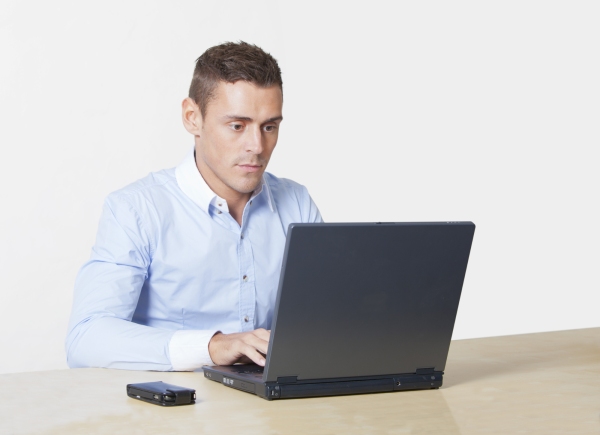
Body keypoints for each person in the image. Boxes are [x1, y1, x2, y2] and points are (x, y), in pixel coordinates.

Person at [65, 42, 322, 371]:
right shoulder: (136, 210)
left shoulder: (297, 204)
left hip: (274, 411)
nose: (257, 147)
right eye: (237, 126)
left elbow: (323, 323)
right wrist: (212, 346)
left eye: (269, 127)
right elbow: (85, 341)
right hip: (171, 412)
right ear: (192, 118)